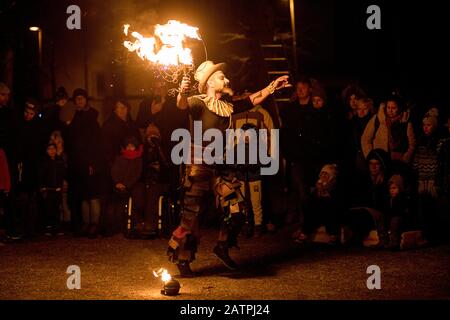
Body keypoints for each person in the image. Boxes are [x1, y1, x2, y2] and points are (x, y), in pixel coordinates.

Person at [168, 60, 290, 277]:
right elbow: (181, 105)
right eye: (222, 77)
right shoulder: (197, 102)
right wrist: (182, 91)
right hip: (198, 166)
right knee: (191, 217)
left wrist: (271, 87)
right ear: (210, 81)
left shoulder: (228, 105)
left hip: (221, 166)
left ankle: (222, 247)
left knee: (236, 209)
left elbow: (252, 99)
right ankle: (183, 259)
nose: (227, 80)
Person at [361, 95, 416, 164]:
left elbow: (412, 144)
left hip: (398, 162)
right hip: (380, 160)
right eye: (388, 107)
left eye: (393, 108)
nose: (390, 110)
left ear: (399, 108)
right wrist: (371, 157)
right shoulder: (377, 119)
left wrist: (405, 158)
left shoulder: (405, 123)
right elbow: (365, 139)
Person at [39, 143, 66, 236]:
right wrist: (42, 186)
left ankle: (57, 227)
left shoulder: (60, 161)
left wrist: (62, 184)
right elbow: (41, 176)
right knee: (48, 209)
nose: (52, 151)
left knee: (57, 208)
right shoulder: (44, 162)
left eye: (53, 148)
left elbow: (63, 174)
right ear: (46, 151)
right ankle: (48, 228)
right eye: (49, 149)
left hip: (57, 189)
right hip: (47, 189)